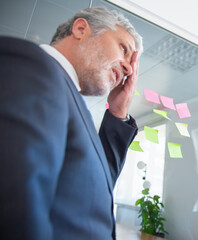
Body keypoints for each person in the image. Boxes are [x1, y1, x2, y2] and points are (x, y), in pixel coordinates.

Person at [0, 7, 143, 240]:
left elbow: (94, 187)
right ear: (80, 29)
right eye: (123, 48)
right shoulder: (35, 67)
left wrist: (118, 112)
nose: (128, 68)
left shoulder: (69, 98)